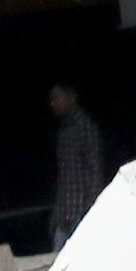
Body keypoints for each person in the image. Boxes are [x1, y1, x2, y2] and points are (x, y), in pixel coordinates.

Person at [46, 83, 107, 246]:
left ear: (71, 97)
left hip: (80, 213)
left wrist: (91, 210)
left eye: (56, 98)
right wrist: (57, 214)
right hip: (65, 214)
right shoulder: (64, 131)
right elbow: (64, 177)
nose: (53, 104)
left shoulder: (85, 127)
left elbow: (95, 170)